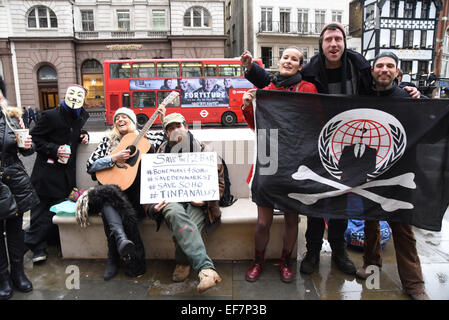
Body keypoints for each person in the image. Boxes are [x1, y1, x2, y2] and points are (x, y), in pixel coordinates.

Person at [242, 22, 420, 277]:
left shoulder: (359, 65)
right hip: (317, 147)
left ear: (344, 42)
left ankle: (339, 252)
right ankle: (313, 252)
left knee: (342, 203)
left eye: (338, 39)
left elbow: (383, 86)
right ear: (322, 45)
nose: (333, 43)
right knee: (316, 203)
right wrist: (251, 72)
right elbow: (277, 85)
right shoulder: (312, 68)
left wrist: (407, 91)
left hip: (349, 147)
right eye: (328, 40)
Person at [355, 51, 429, 300]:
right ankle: (371, 265)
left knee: (403, 229)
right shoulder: (363, 95)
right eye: (379, 65)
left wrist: (423, 96)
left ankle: (414, 284)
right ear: (373, 71)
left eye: (389, 66)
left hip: (401, 172)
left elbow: (429, 121)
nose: (384, 69)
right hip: (371, 171)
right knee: (370, 223)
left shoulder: (409, 98)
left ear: (397, 72)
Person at [240, 47, 318, 283]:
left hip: (294, 163)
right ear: (280, 61)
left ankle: (285, 262)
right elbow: (257, 126)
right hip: (268, 161)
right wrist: (246, 106)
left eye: (294, 59)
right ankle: (258, 260)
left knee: (292, 219)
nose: (289, 61)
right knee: (263, 222)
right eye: (285, 57)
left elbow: (313, 123)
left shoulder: (308, 89)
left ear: (300, 66)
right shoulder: (268, 89)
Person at [83, 107, 165, 280]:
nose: (120, 120)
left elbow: (166, 142)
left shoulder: (146, 137)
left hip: (136, 194)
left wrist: (162, 119)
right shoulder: (107, 141)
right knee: (109, 194)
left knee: (112, 202)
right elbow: (90, 165)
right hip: (111, 191)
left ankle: (113, 256)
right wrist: (113, 158)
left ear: (133, 121)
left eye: (125, 117)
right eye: (117, 118)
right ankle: (124, 254)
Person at [146, 112, 224, 293]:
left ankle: (183, 262)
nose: (175, 130)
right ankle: (205, 269)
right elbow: (151, 183)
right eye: (170, 128)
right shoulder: (160, 153)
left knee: (192, 224)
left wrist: (205, 200)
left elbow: (220, 184)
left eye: (178, 126)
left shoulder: (205, 150)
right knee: (173, 213)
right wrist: (152, 206)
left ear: (186, 127)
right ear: (166, 133)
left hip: (197, 202)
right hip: (171, 200)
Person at [24, 85, 90, 264]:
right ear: (66, 95)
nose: (75, 97)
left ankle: (50, 241)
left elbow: (70, 132)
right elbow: (35, 138)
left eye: (79, 95)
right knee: (41, 210)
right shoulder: (51, 115)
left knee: (57, 208)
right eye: (72, 93)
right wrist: (54, 149)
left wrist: (82, 135)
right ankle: (35, 245)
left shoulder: (82, 115)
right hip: (46, 172)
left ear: (84, 98)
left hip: (67, 173)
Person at [0, 83, 40, 300]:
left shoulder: (11, 118)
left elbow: (27, 151)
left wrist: (27, 145)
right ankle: (2, 278)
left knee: (15, 229)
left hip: (14, 180)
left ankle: (18, 273)